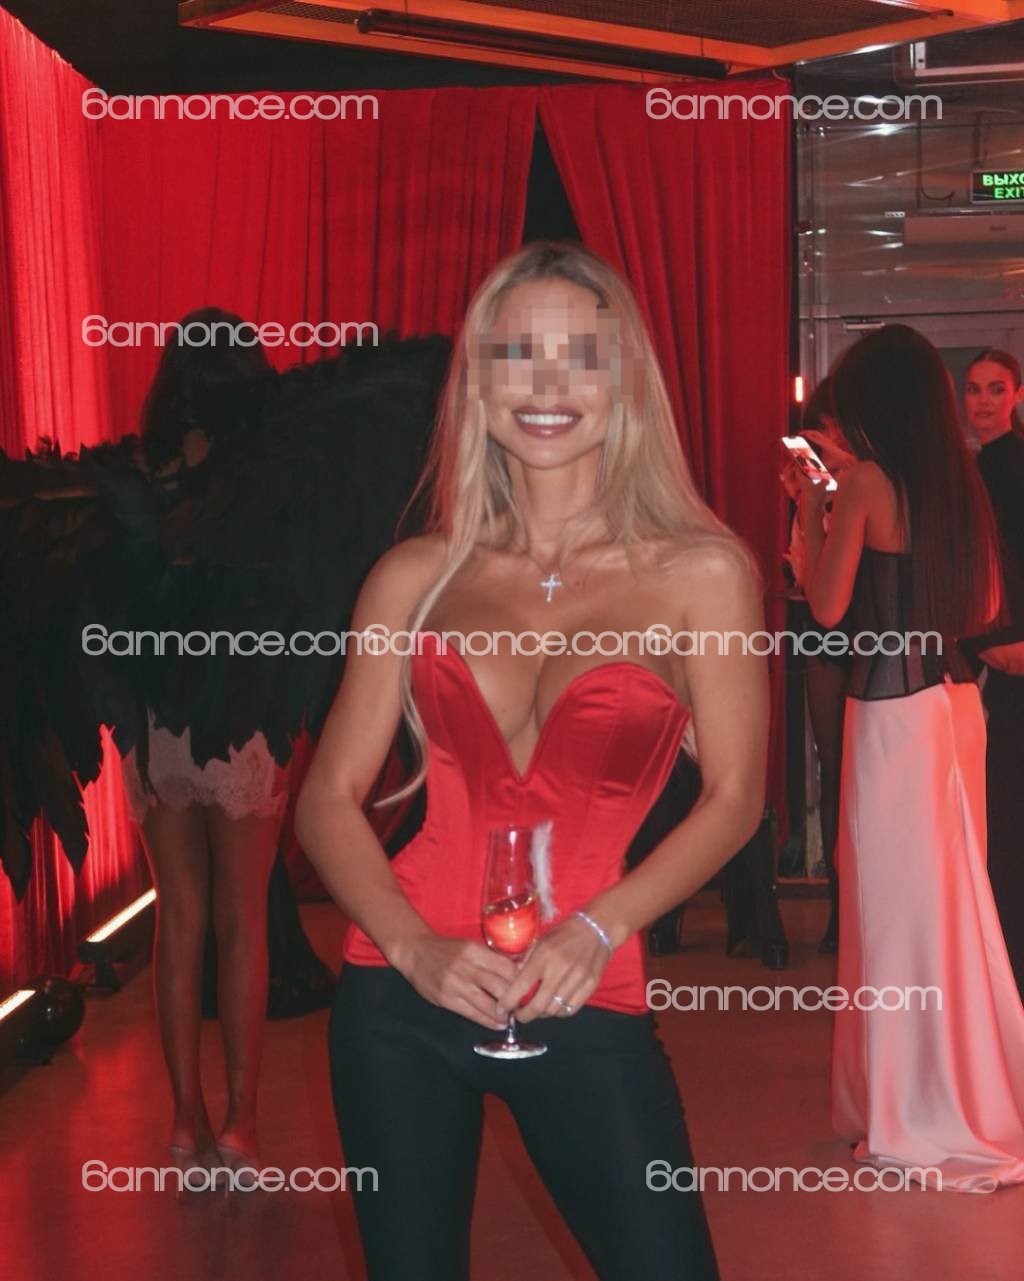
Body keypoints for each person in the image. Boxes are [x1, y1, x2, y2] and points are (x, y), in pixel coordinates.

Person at [296, 241, 769, 1279]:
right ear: (478, 381)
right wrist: (413, 948)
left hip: (582, 983)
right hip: (402, 997)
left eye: (579, 356)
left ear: (624, 381)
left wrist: (600, 926)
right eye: (518, 353)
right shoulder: (414, 575)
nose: (547, 385)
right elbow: (327, 798)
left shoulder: (701, 572)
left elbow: (736, 797)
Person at [787, 323, 1024, 1192]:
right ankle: (963, 1090)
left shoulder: (867, 483)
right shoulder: (959, 484)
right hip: (956, 709)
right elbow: (984, 604)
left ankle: (906, 1108)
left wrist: (808, 509)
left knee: (892, 915)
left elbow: (825, 604)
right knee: (953, 907)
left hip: (889, 715)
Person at [119, 310, 291, 1187]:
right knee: (242, 920)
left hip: (157, 714)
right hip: (244, 707)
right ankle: (241, 1124)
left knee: (178, 919)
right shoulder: (265, 469)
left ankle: (185, 1123)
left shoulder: (143, 471)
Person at [781, 377, 855, 952]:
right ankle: (838, 904)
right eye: (821, 429)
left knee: (861, 769)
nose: (828, 438)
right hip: (824, 629)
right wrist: (809, 500)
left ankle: (859, 904)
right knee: (832, 766)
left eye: (834, 428)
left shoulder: (869, 480)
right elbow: (806, 576)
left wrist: (841, 481)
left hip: (875, 628)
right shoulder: (818, 488)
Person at [963, 348, 1024, 999]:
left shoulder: (1010, 464)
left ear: (1016, 395)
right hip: (998, 657)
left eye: (995, 389)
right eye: (974, 389)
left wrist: (1001, 641)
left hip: (1013, 659)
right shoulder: (981, 466)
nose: (983, 401)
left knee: (1009, 822)